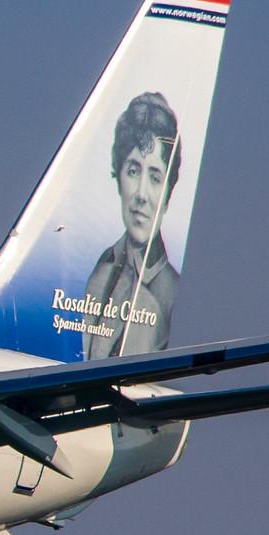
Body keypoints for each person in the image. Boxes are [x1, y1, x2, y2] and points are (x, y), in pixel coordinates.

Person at [82, 92, 182, 359]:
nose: (141, 194)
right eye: (134, 171)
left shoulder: (166, 295)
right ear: (118, 176)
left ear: (168, 191)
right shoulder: (101, 267)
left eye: (155, 177)